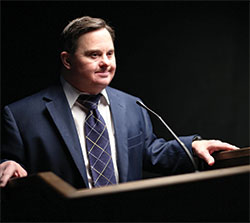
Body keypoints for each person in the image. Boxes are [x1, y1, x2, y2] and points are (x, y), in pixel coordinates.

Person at [0, 16, 238, 188]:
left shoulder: (132, 106)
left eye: (110, 53)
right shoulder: (22, 115)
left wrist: (192, 147)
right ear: (67, 60)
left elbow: (150, 152)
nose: (105, 62)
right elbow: (8, 165)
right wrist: (5, 164)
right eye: (94, 55)